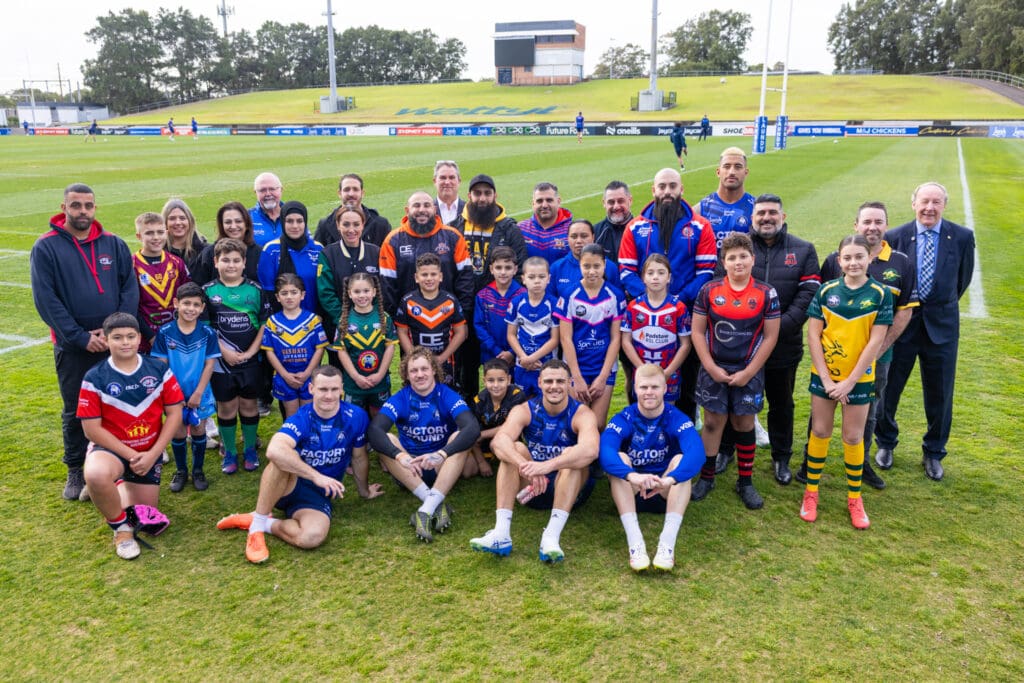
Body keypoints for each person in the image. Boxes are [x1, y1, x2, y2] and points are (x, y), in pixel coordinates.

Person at [30, 183, 139, 500]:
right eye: (75, 205)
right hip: (73, 346)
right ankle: (76, 469)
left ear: (95, 208)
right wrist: (79, 337)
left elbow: (128, 289)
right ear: (63, 207)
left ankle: (117, 462)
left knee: (119, 403)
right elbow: (46, 300)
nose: (82, 211)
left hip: (113, 344)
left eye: (88, 205)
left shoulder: (114, 244)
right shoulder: (46, 247)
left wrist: (115, 334)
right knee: (77, 408)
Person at [216, 366, 384, 564]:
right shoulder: (303, 417)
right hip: (289, 484)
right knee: (280, 460)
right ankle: (257, 529)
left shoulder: (356, 417)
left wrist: (364, 491)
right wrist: (316, 476)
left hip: (318, 495)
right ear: (311, 389)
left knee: (311, 537)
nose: (329, 396)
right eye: (322, 389)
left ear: (342, 390)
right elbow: (274, 450)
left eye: (333, 390)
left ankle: (265, 523)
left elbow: (359, 458)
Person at [802, 201, 916, 489]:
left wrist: (876, 353)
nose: (872, 227)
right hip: (832, 358)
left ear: (886, 225)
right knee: (821, 414)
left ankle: (860, 464)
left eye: (879, 222)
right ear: (857, 225)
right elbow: (823, 314)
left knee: (867, 412)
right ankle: (810, 461)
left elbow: (904, 311)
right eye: (867, 221)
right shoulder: (832, 260)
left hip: (876, 356)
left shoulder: (901, 262)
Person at [714, 194, 820, 484]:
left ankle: (781, 457)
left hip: (783, 345)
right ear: (752, 218)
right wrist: (746, 332)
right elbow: (718, 287)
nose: (767, 218)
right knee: (732, 400)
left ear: (783, 217)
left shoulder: (803, 249)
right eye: (761, 213)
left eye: (773, 213)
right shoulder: (738, 249)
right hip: (739, 347)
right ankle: (726, 450)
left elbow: (808, 296)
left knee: (781, 402)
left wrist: (776, 328)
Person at [874, 182, 975, 481]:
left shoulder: (961, 237)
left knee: (940, 394)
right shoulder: (895, 236)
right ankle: (886, 442)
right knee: (889, 388)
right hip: (902, 326)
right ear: (913, 203)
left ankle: (933, 451)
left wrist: (936, 306)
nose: (929, 207)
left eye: (936, 202)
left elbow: (961, 282)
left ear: (945, 204)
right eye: (924, 201)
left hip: (942, 329)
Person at [801, 235, 893, 529]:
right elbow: (814, 336)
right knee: (820, 430)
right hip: (825, 378)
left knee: (853, 437)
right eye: (847, 258)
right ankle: (811, 493)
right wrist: (827, 379)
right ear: (839, 261)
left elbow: (876, 342)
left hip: (859, 380)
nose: (853, 263)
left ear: (869, 259)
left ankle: (855, 498)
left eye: (859, 257)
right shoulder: (826, 290)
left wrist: (850, 382)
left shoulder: (880, 294)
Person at [470, 359, 599, 562]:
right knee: (515, 449)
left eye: (560, 381)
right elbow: (499, 442)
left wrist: (547, 465)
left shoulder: (582, 413)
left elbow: (591, 450)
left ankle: (551, 538)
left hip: (570, 489)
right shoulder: (526, 409)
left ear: (569, 383)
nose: (554, 387)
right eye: (548, 381)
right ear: (539, 382)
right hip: (531, 489)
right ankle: (501, 533)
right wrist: (524, 465)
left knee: (573, 458)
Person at [80, 313, 184, 559]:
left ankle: (113, 484)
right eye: (117, 338)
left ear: (139, 338)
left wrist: (153, 454)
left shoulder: (159, 369)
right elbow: (91, 430)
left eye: (130, 336)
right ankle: (121, 531)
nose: (125, 342)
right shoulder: (94, 377)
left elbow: (175, 414)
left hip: (149, 451)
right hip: (113, 449)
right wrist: (132, 456)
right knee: (96, 475)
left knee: (144, 513)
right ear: (106, 340)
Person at [689, 232, 780, 510]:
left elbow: (770, 337)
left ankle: (745, 481)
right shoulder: (710, 291)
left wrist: (749, 372)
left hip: (747, 371)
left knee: (744, 423)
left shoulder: (766, 293)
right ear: (723, 262)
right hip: (714, 369)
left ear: (752, 259)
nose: (738, 262)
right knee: (713, 423)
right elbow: (697, 330)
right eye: (732, 258)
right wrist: (710, 367)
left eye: (743, 256)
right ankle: (706, 478)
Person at [619, 167, 716, 420]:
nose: (667, 192)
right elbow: (626, 272)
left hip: (685, 315)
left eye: (673, 186)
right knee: (639, 379)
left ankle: (682, 433)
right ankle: (638, 430)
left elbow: (706, 272)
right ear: (654, 191)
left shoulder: (700, 226)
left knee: (685, 379)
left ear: (681, 189)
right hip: (643, 319)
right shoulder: (635, 227)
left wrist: (676, 301)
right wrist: (649, 300)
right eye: (662, 187)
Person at [368, 347, 481, 543]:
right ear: (406, 374)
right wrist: (400, 456)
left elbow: (472, 428)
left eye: (424, 369)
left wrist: (442, 454)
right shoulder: (401, 398)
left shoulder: (446, 394)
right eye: (414, 371)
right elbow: (374, 431)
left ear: (434, 370)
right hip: (411, 468)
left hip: (440, 466)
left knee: (460, 436)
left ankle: (425, 510)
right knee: (387, 438)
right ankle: (435, 503)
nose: (419, 375)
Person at [600, 364, 705, 572]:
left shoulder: (676, 417)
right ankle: (635, 543)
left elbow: (697, 453)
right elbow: (605, 452)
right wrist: (632, 476)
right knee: (620, 458)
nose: (649, 392)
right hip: (633, 490)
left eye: (655, 387)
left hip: (665, 490)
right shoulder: (624, 418)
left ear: (665, 389)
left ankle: (667, 544)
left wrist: (670, 479)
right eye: (644, 387)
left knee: (680, 461)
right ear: (634, 389)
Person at [450, 173, 527, 399]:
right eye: (477, 193)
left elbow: (519, 267)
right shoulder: (456, 226)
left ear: (495, 196)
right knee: (466, 367)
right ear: (469, 196)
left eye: (487, 193)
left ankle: (505, 412)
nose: (482, 198)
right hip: (464, 309)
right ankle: (472, 415)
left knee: (501, 366)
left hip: (497, 310)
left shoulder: (508, 228)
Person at [202, 238, 273, 475]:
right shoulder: (208, 291)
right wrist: (225, 352)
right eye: (225, 260)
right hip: (222, 362)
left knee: (249, 405)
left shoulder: (255, 289)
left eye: (236, 260)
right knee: (226, 407)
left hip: (251, 360)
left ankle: (250, 449)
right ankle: (230, 451)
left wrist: (253, 351)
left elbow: (264, 323)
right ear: (216, 262)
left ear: (244, 263)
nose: (231, 265)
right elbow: (206, 327)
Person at [152, 282, 221, 492]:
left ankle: (198, 470)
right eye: (186, 303)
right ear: (176, 304)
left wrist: (198, 392)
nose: (191, 308)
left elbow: (210, 364)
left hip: (199, 393)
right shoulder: (165, 332)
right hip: (173, 394)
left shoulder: (208, 333)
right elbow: (161, 366)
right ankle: (181, 471)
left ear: (201, 308)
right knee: (178, 431)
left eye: (196, 305)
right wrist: (173, 393)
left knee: (199, 429)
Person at [556, 244, 625, 428]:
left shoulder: (615, 296)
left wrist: (602, 377)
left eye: (596, 266)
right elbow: (565, 338)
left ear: (604, 265)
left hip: (603, 369)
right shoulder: (569, 294)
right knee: (577, 424)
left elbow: (615, 339)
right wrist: (576, 378)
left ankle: (595, 458)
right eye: (586, 266)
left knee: (598, 425)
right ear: (580, 265)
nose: (592, 271)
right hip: (576, 368)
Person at [379, 190, 474, 316]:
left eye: (427, 205)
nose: (422, 210)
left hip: (447, 316)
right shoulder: (392, 240)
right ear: (407, 210)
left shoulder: (453, 236)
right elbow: (387, 287)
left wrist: (463, 316)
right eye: (416, 205)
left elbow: (465, 279)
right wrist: (396, 322)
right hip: (407, 320)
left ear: (434, 209)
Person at [620, 254, 691, 404]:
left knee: (666, 415)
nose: (655, 277)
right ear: (643, 278)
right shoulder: (634, 307)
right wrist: (641, 369)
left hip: (668, 375)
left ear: (669, 277)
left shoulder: (678, 308)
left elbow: (685, 344)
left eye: (661, 272)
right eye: (650, 273)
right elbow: (625, 341)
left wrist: (668, 372)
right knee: (643, 413)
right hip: (641, 374)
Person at [394, 253, 467, 388]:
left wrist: (443, 357)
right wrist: (414, 357)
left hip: (444, 362)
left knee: (443, 397)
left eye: (433, 274)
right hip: (417, 365)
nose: (429, 278)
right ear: (416, 277)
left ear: (441, 276)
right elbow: (401, 332)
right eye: (424, 275)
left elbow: (461, 332)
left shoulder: (450, 301)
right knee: (416, 394)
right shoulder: (407, 301)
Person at [330, 272, 397, 417]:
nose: (362, 295)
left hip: (379, 381)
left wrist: (380, 374)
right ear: (349, 293)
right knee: (354, 416)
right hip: (353, 383)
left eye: (366, 291)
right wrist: (356, 376)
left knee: (379, 415)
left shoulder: (385, 318)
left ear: (374, 292)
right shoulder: (344, 321)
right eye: (357, 291)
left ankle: (376, 439)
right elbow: (341, 351)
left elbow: (390, 347)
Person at [261, 273, 328, 418]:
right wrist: (285, 375)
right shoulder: (272, 322)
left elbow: (319, 348)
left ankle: (309, 441)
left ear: (302, 295)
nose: (289, 297)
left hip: (308, 375)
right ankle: (291, 441)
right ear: (278, 297)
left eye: (294, 292)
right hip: (285, 376)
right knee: (292, 416)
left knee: (308, 414)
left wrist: (308, 373)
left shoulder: (312, 320)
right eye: (284, 293)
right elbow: (270, 352)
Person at [316, 205, 381, 345]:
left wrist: (370, 317)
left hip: (371, 325)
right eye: (346, 224)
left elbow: (382, 289)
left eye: (356, 224)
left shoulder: (376, 252)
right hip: (339, 326)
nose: (351, 230)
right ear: (338, 225)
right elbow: (326, 293)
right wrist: (344, 319)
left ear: (363, 225)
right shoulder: (328, 254)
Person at [132, 212, 190, 354]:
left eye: (160, 232)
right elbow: (130, 306)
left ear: (166, 233)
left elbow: (188, 297)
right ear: (139, 236)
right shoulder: (131, 265)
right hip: (146, 341)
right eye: (149, 233)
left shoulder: (177, 263)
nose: (156, 237)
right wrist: (151, 337)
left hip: (177, 336)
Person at [506, 257, 560, 397]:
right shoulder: (517, 303)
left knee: (545, 407)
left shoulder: (554, 304)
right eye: (531, 277)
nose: (537, 281)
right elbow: (511, 334)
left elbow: (555, 339)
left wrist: (532, 358)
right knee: (520, 404)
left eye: (541, 277)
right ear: (523, 279)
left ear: (548, 278)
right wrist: (523, 357)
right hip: (521, 365)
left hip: (545, 365)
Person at [258, 201, 323, 315]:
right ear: (283, 222)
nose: (295, 226)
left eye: (299, 221)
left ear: (305, 222)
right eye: (289, 221)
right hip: (283, 320)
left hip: (315, 319)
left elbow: (324, 288)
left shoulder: (318, 249)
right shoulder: (271, 250)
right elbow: (267, 291)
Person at [469, 359, 528, 479]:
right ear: (484, 381)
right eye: (491, 380)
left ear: (509, 380)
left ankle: (511, 464)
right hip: (483, 442)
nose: (496, 385)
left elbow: (512, 427)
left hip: (510, 438)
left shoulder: (517, 395)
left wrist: (482, 434)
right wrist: (481, 462)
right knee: (468, 471)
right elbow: (472, 433)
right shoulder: (479, 400)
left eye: (501, 380)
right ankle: (483, 459)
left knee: (511, 441)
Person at [475, 246, 525, 369]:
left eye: (508, 268)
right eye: (498, 267)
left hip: (518, 354)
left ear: (515, 269)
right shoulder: (483, 295)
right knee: (495, 386)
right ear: (491, 269)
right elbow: (479, 326)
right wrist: (496, 350)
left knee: (515, 387)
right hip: (491, 354)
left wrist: (512, 353)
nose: (503, 272)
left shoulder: (524, 295)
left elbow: (527, 327)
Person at [548, 220, 620, 302]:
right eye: (574, 236)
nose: (579, 241)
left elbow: (618, 298)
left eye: (584, 236)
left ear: (593, 237)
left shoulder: (609, 266)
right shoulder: (557, 267)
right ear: (567, 238)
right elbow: (549, 299)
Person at [698, 147, 755, 251]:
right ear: (718, 172)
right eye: (727, 166)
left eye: (738, 167)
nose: (732, 172)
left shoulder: (756, 209)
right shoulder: (701, 209)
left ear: (746, 172)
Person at [192, 202, 262, 286]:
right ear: (222, 225)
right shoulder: (209, 253)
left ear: (246, 224)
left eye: (238, 221)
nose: (233, 226)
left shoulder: (259, 253)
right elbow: (197, 287)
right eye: (228, 222)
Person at [313, 173, 392, 248]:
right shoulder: (325, 225)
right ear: (339, 193)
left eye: (355, 189)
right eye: (346, 189)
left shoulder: (381, 224)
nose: (351, 194)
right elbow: (316, 256)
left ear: (362, 193)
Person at [518, 182, 574, 264]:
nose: (544, 205)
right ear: (533, 204)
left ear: (558, 202)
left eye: (549, 200)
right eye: (539, 201)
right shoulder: (521, 229)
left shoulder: (572, 230)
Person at [162, 198, 207, 275]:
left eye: (182, 218)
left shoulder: (205, 251)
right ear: (164, 223)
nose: (178, 222)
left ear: (190, 221)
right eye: (172, 218)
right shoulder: (158, 253)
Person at [594, 181, 634, 265]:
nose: (616, 206)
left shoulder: (641, 230)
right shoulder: (595, 232)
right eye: (611, 202)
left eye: (620, 201)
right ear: (604, 203)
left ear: (630, 201)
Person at [250, 172, 284, 247]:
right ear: (256, 192)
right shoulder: (246, 218)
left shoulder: (293, 215)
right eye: (262, 190)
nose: (268, 194)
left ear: (281, 190)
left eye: (272, 189)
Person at [433, 160, 464, 227]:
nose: (447, 182)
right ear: (435, 181)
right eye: (443, 178)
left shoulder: (468, 209)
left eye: (452, 178)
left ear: (459, 181)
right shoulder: (427, 211)